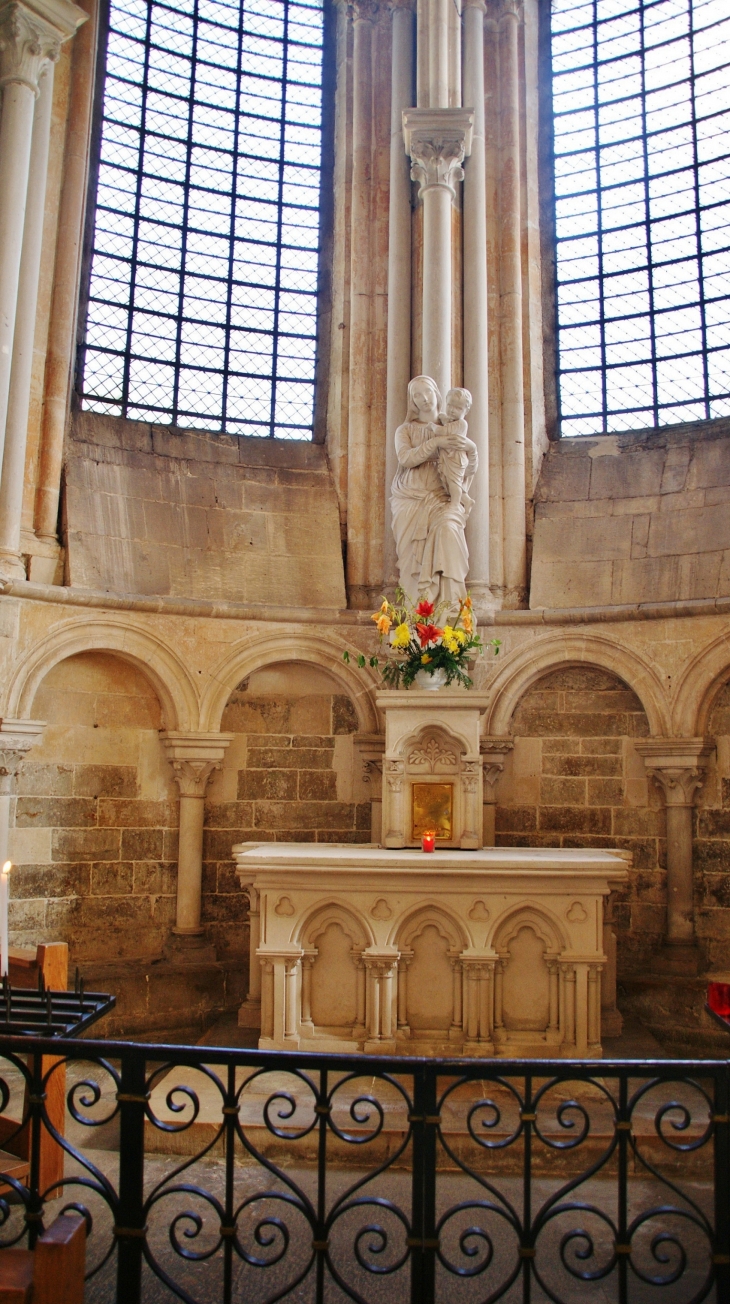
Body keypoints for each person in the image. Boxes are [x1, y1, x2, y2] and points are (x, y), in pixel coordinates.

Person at [390, 376, 477, 612]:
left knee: (449, 533)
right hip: (410, 500)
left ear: (436, 392)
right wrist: (436, 442)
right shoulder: (404, 430)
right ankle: (416, 616)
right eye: (417, 395)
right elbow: (406, 458)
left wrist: (471, 448)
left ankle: (449, 613)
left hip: (442, 499)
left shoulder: (455, 426)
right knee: (411, 563)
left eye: (427, 391)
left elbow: (467, 469)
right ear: (412, 401)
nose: (424, 399)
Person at [436, 388, 477, 515]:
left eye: (458, 408)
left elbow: (444, 431)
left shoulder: (461, 424)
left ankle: (455, 504)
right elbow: (445, 421)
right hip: (448, 458)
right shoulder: (451, 421)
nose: (452, 410)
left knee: (454, 482)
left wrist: (432, 426)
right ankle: (467, 500)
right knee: (451, 483)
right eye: (449, 405)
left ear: (466, 410)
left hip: (456, 459)